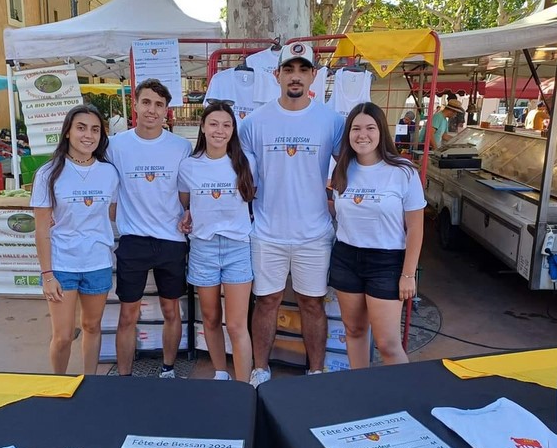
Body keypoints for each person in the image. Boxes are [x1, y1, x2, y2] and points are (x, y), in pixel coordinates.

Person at [239, 42, 345, 387]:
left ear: (314, 75)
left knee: (312, 304)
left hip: (314, 233)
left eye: (303, 69)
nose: (295, 76)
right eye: (289, 69)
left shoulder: (332, 121)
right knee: (266, 301)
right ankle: (260, 369)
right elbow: (239, 175)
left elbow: (349, 171)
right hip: (267, 231)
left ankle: (316, 371)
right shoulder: (254, 122)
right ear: (276, 75)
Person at [329, 102, 426, 369]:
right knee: (354, 332)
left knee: (388, 344)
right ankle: (362, 393)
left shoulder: (403, 172)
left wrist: (408, 274)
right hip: (346, 257)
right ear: (348, 134)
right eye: (356, 128)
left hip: (387, 262)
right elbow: (339, 212)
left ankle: (402, 399)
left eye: (370, 128)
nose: (363, 135)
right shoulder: (341, 171)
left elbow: (416, 227)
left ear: (382, 131)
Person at [108, 79, 192, 378]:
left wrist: (190, 213)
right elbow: (102, 184)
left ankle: (168, 370)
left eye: (159, 104)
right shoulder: (116, 145)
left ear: (166, 111)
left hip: (171, 241)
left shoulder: (181, 147)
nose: (152, 110)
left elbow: (187, 194)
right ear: (136, 105)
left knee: (171, 311)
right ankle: (125, 379)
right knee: (128, 314)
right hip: (134, 241)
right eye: (146, 102)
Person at [31, 104, 119, 375]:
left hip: (98, 262)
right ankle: (59, 384)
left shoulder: (109, 173)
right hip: (63, 265)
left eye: (95, 130)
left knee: (93, 327)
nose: (88, 135)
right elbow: (42, 230)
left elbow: (111, 214)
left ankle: (89, 382)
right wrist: (47, 275)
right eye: (81, 128)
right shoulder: (48, 173)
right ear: (67, 132)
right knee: (63, 335)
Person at [177, 103, 256, 382]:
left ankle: (244, 385)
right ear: (202, 127)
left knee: (236, 324)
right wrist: (186, 216)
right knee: (210, 318)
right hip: (203, 249)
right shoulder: (188, 166)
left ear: (233, 130)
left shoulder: (246, 162)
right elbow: (185, 205)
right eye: (213, 124)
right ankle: (221, 373)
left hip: (238, 247)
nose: (219, 130)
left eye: (226, 125)